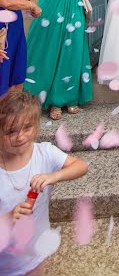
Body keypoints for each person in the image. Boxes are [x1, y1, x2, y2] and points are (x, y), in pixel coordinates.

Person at [0, 90, 88, 276]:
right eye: (10, 131)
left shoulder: (44, 153)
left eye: (27, 127)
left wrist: (53, 176)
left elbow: (80, 166)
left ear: (37, 127)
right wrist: (8, 217)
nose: (20, 136)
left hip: (34, 255)